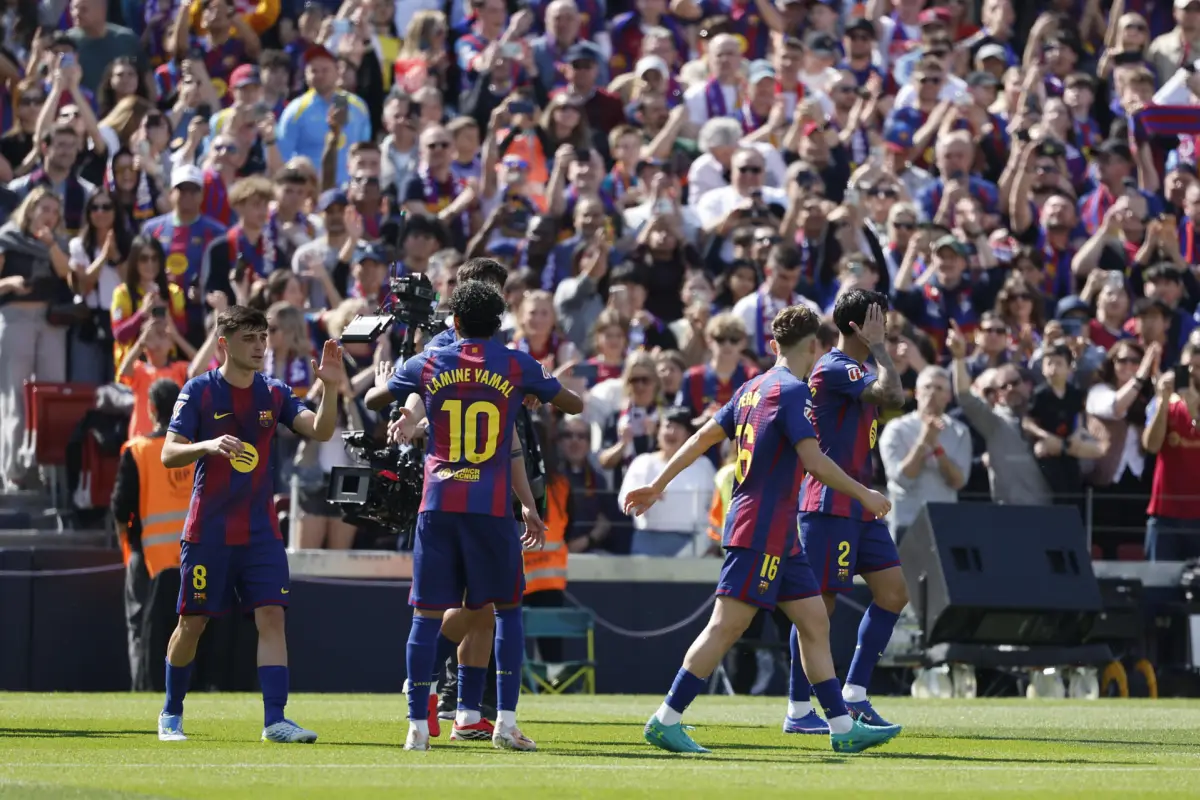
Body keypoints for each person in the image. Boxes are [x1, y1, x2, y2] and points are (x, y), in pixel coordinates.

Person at [623, 304, 900, 755]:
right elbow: (814, 461)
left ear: (774, 345)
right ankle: (666, 718)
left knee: (813, 621)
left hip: (777, 530)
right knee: (726, 626)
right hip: (763, 527)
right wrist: (864, 494)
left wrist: (658, 484)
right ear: (814, 346)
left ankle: (841, 726)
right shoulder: (792, 392)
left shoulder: (751, 388)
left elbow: (701, 439)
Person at [384, 280, 583, 752]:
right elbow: (572, 405)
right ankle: (504, 722)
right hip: (490, 506)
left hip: (438, 503)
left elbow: (383, 395)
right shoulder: (515, 363)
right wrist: (539, 387)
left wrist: (402, 398)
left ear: (454, 322)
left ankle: (416, 725)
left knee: (426, 615)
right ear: (499, 325)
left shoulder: (431, 360)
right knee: (508, 610)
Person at [156, 306, 348, 743]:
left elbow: (319, 431)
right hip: (209, 531)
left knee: (272, 617)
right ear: (224, 344)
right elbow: (169, 452)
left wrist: (331, 389)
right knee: (193, 622)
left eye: (263, 337)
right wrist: (208, 444)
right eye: (250, 338)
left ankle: (275, 720)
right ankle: (171, 713)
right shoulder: (199, 391)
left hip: (261, 532)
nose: (260, 346)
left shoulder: (274, 392)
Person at [786, 289, 908, 733]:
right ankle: (800, 709)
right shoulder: (837, 367)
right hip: (830, 503)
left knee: (893, 592)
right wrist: (880, 349)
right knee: (818, 608)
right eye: (881, 319)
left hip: (860, 503)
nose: (888, 327)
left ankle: (854, 693)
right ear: (861, 325)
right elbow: (891, 394)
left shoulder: (855, 369)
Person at [111, 379, 192, 690]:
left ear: (152, 408)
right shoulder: (197, 449)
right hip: (192, 558)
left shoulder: (138, 451)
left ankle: (143, 689)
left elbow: (120, 508)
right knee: (189, 628)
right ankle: (187, 690)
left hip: (149, 559)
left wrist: (127, 548)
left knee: (140, 627)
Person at [877, 366, 972, 542]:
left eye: (939, 388)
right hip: (906, 522)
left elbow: (959, 481)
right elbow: (903, 478)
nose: (932, 393)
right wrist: (923, 441)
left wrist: (937, 449)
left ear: (948, 397)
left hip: (945, 523)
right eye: (927, 387)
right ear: (917, 393)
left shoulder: (960, 432)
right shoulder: (896, 429)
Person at [1142, 341, 1200, 561]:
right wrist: (1163, 402)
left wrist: (1194, 409)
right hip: (1165, 515)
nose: (1193, 375)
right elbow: (1151, 445)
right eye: (1188, 369)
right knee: (1159, 589)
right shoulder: (1167, 404)